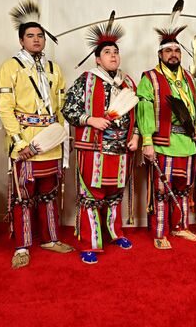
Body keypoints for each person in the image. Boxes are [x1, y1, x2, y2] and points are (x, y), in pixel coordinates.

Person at [0, 0, 74, 269]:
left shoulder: (54, 69)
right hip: (26, 141)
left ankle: (51, 239)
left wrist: (64, 138)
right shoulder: (11, 67)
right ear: (21, 41)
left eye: (40, 36)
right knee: (23, 195)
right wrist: (19, 143)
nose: (36, 40)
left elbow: (62, 108)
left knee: (50, 192)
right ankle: (22, 245)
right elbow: (6, 109)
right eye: (30, 36)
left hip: (51, 141)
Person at [62, 14, 139, 264]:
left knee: (115, 193)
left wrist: (135, 136)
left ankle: (115, 233)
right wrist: (90, 119)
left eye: (116, 52)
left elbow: (136, 114)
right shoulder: (87, 80)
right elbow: (68, 109)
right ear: (98, 58)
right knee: (92, 196)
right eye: (107, 52)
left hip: (121, 149)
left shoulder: (128, 83)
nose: (113, 56)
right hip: (94, 148)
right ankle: (90, 242)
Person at [137, 22, 196, 249]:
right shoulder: (151, 78)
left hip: (187, 143)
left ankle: (181, 226)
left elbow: (193, 107)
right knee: (162, 190)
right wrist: (147, 141)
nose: (173, 55)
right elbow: (143, 111)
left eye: (176, 51)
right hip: (164, 143)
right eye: (168, 51)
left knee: (184, 189)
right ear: (160, 54)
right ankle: (159, 232)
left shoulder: (187, 79)